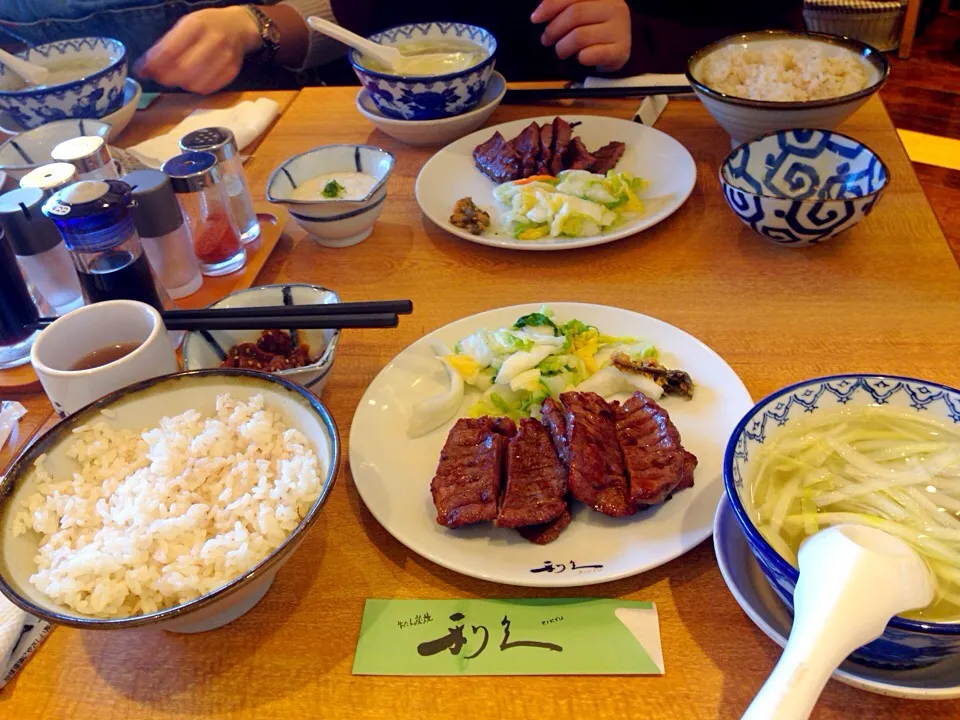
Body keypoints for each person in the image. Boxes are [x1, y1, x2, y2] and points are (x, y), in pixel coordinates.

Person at [2, 1, 803, 94]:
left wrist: (647, 32)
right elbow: (339, 13)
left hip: (661, 139)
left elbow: (778, 31)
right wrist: (258, 25)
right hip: (422, 160)